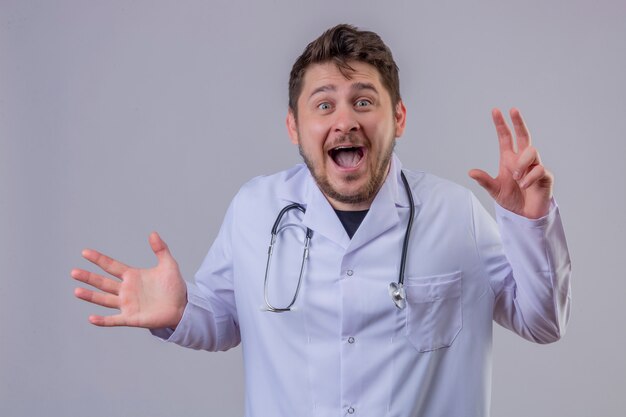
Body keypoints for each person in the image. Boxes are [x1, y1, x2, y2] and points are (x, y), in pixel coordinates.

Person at [72, 24, 571, 417]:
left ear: (398, 118)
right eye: (324, 104)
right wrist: (181, 312)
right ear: (294, 125)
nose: (345, 120)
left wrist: (530, 222)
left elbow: (543, 322)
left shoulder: (455, 213)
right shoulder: (254, 210)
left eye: (364, 101)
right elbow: (224, 321)